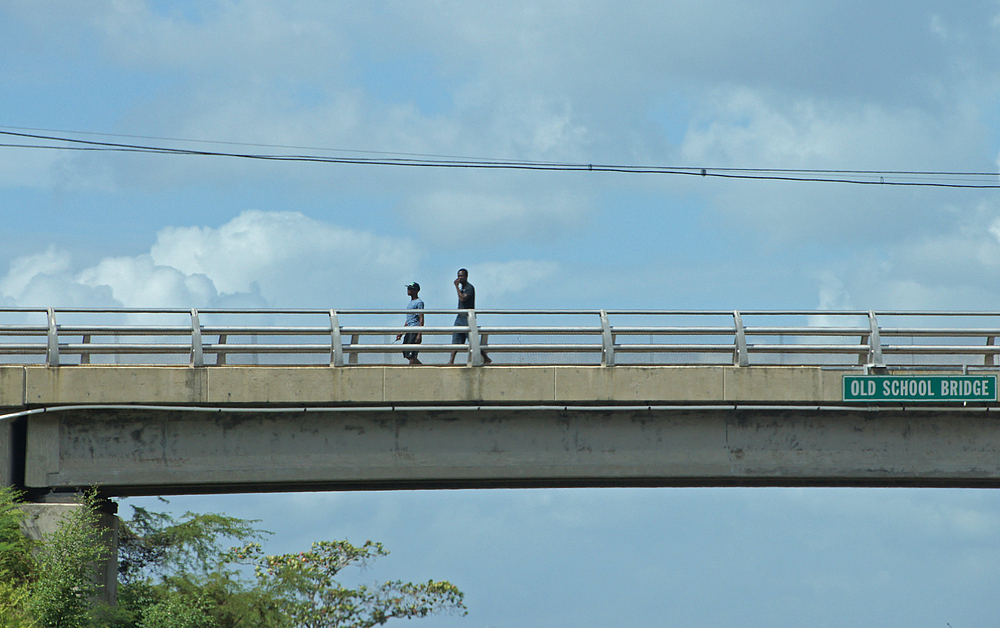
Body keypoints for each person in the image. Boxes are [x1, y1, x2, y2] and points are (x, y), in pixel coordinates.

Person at [447, 268, 491, 365]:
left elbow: (463, 298)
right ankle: (451, 361)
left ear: (466, 276)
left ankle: (486, 358)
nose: (460, 278)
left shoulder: (469, 287)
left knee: (473, 340)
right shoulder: (462, 288)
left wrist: (456, 287)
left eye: (462, 276)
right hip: (460, 317)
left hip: (468, 318)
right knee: (456, 339)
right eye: (458, 276)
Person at [396, 282, 424, 365]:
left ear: (416, 290)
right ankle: (419, 366)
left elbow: (421, 317)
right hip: (409, 330)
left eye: (410, 289)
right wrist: (401, 332)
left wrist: (419, 334)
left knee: (412, 355)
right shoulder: (410, 303)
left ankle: (419, 368)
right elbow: (408, 319)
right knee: (406, 353)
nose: (408, 290)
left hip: (415, 330)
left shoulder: (419, 302)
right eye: (408, 288)